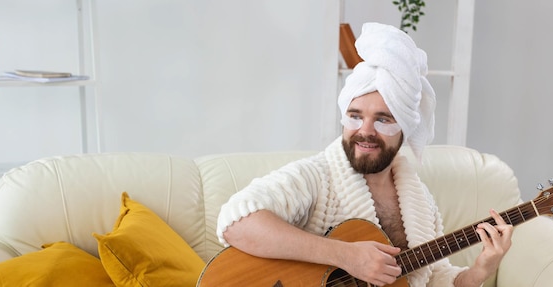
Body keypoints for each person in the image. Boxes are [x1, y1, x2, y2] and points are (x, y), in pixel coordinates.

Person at [216, 22, 513, 287]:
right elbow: (236, 223)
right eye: (355, 116)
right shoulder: (316, 176)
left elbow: (433, 278)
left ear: (404, 130)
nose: (365, 131)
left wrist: (480, 269)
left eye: (383, 120)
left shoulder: (419, 201)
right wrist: (346, 256)